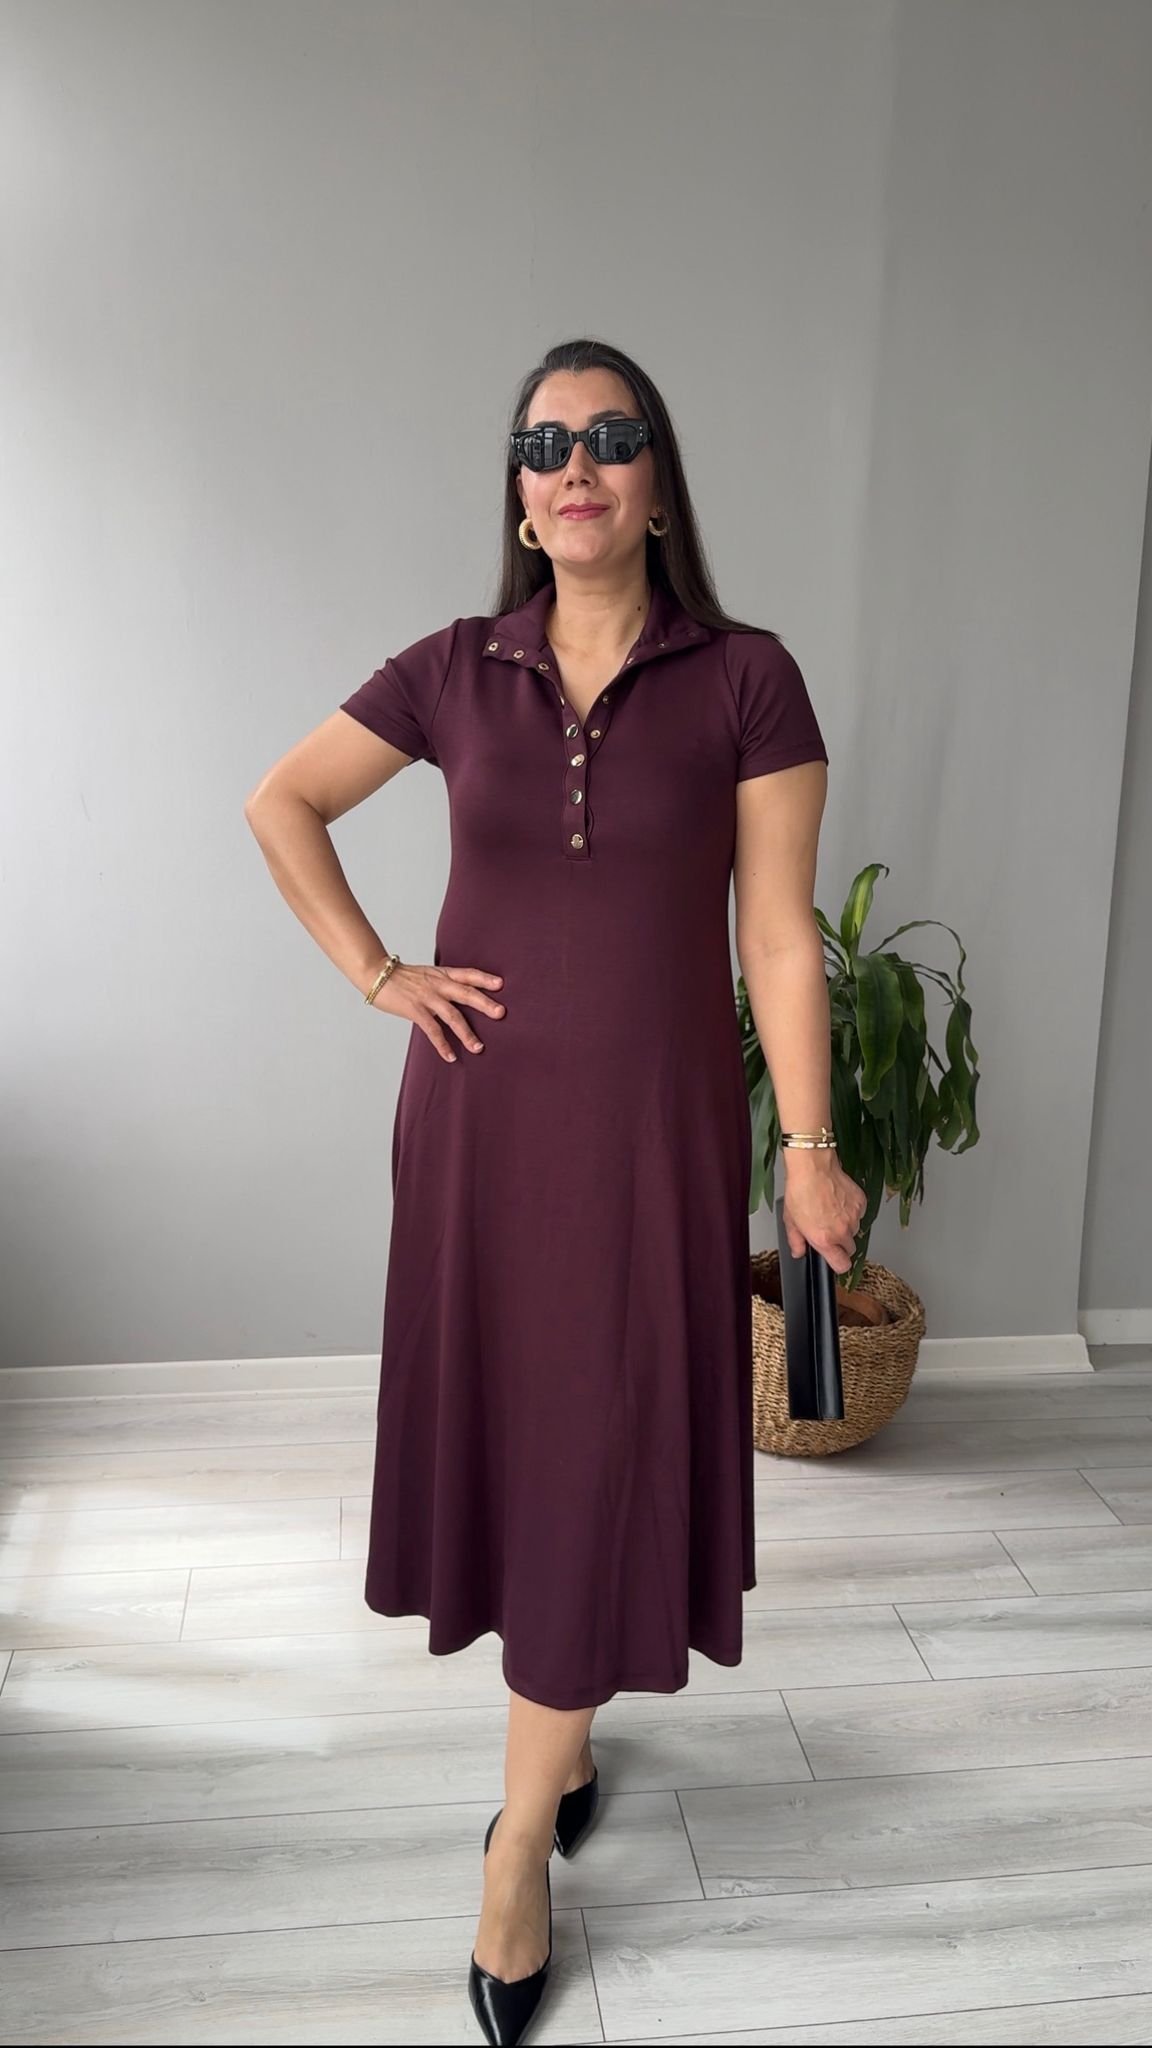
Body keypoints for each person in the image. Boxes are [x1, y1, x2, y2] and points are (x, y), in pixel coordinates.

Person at [244, 336, 868, 2047]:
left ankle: (517, 1840)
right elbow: (284, 803)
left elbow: (776, 938)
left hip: (654, 1140)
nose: (573, 464)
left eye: (609, 435)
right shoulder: (454, 668)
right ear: (520, 498)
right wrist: (381, 973)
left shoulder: (749, 681)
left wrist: (809, 1150)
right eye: (543, 444)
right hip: (481, 1135)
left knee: (603, 1442)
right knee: (534, 1441)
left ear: (658, 483)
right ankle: (565, 1749)